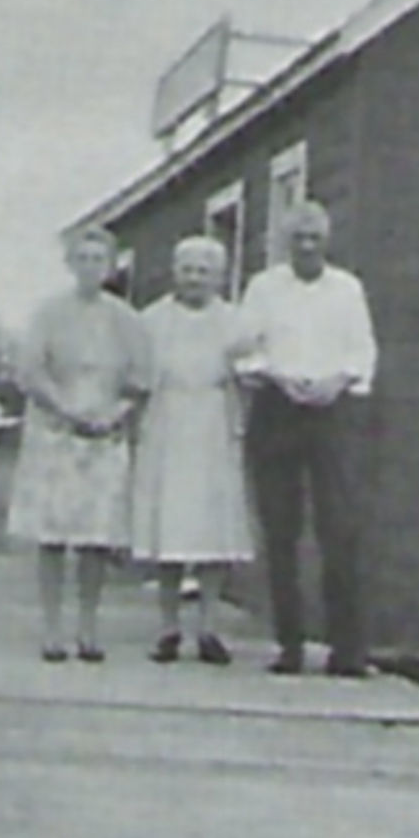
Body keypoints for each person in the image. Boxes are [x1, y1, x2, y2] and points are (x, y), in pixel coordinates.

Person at [236, 200, 378, 677]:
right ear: (285, 243)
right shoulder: (264, 288)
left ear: (327, 241)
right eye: (298, 238)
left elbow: (363, 353)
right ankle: (289, 645)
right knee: (281, 531)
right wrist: (276, 375)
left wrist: (337, 380)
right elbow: (242, 350)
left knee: (340, 529)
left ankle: (347, 648)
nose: (306, 247)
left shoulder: (346, 290)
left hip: (331, 413)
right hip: (277, 410)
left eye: (314, 238)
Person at [6, 224, 150, 662]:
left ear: (110, 266)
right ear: (70, 264)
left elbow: (141, 378)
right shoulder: (49, 313)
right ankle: (52, 629)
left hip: (104, 433)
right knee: (53, 535)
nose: (91, 268)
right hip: (57, 431)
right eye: (82, 259)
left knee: (95, 537)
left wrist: (113, 416)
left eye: (98, 260)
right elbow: (30, 372)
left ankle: (88, 627)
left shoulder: (126, 318)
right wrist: (67, 410)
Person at [130, 235, 257, 664]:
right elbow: (138, 375)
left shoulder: (235, 322)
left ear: (218, 277)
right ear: (175, 273)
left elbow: (249, 374)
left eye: (204, 271)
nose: (195, 279)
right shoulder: (152, 320)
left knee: (211, 531)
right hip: (168, 423)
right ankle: (168, 628)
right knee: (169, 527)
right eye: (187, 270)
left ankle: (208, 628)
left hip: (213, 424)